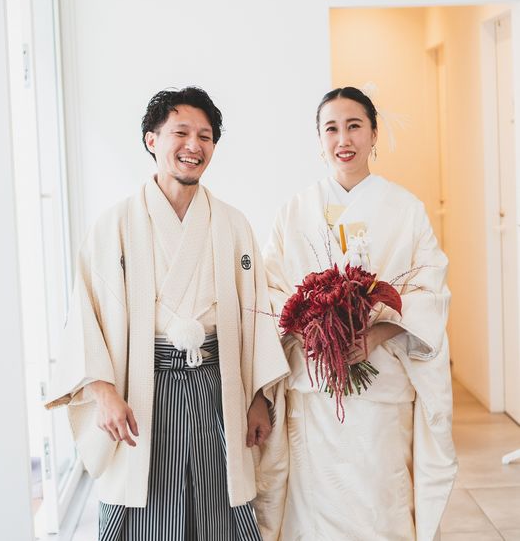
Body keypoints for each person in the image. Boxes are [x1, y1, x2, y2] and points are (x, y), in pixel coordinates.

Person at [45, 86, 289, 540]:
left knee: (219, 506)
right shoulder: (114, 225)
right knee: (145, 508)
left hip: (218, 388)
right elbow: (86, 315)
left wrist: (258, 396)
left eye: (205, 136)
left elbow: (257, 313)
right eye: (181, 132)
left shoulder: (233, 224)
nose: (194, 145)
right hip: (141, 390)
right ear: (151, 139)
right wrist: (103, 393)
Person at [259, 87, 457, 540]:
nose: (343, 139)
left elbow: (429, 289)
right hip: (315, 387)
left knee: (379, 499)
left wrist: (377, 333)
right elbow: (270, 289)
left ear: (373, 134)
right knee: (314, 505)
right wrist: (312, 329)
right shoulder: (295, 211)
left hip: (381, 383)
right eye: (331, 128)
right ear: (319, 139)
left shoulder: (406, 209)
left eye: (354, 126)